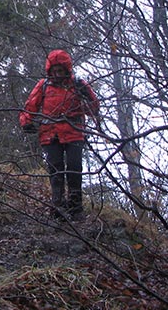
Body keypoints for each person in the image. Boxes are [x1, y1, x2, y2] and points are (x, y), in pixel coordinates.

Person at [20, 49, 100, 221]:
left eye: (60, 71)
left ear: (66, 70)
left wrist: (88, 99)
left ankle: (76, 208)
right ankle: (58, 207)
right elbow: (30, 106)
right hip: (50, 135)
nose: (57, 74)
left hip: (74, 133)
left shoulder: (78, 84)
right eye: (54, 71)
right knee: (55, 170)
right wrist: (26, 122)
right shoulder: (43, 85)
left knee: (74, 169)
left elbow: (94, 107)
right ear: (50, 71)